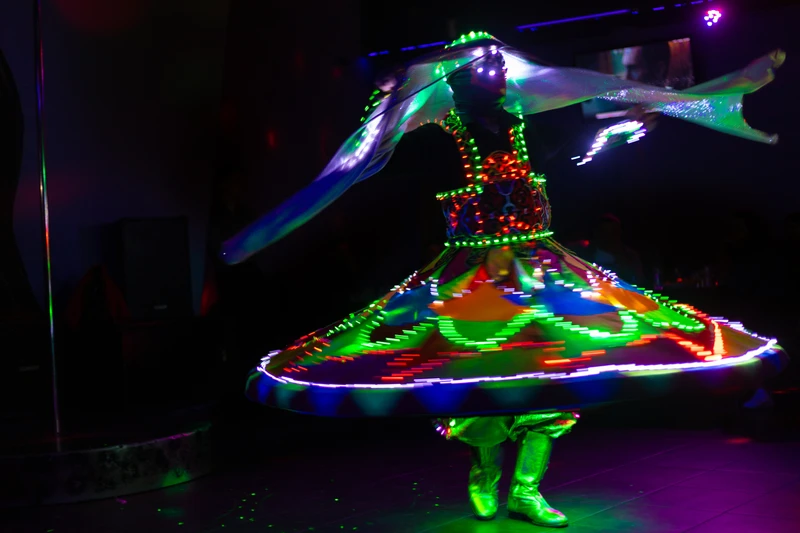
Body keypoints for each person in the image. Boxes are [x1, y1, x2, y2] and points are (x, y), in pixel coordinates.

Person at [226, 33, 787, 529]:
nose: (497, 72)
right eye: (484, 66)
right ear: (458, 79)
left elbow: (572, 149)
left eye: (500, 64)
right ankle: (486, 475)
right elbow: (387, 167)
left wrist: (627, 126)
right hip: (469, 274)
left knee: (553, 371)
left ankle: (525, 489)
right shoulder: (437, 133)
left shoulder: (524, 123)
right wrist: (395, 85)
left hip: (540, 266)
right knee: (482, 377)